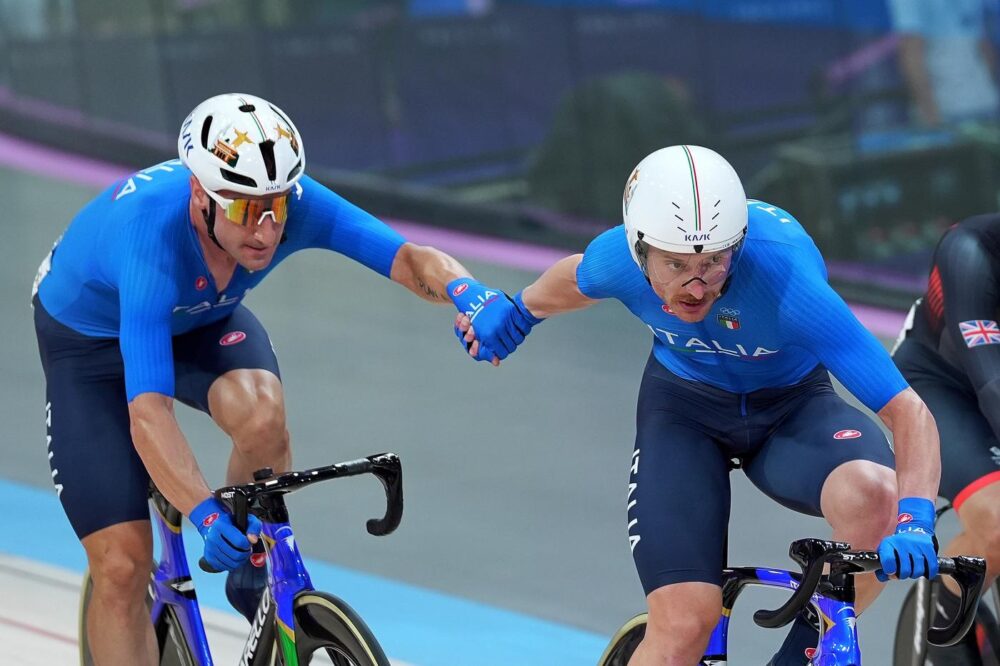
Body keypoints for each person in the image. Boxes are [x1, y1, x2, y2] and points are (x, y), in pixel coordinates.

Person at [32, 92, 516, 665]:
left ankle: (252, 576)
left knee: (262, 414)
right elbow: (148, 413)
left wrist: (469, 293)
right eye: (242, 209)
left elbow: (408, 259)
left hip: (200, 320)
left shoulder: (288, 209)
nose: (264, 229)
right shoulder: (149, 240)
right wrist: (204, 513)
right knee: (121, 565)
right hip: (90, 346)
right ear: (198, 195)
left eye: (276, 205)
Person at [456, 145, 942, 665]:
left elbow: (908, 411)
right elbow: (571, 280)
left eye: (713, 263)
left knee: (880, 497)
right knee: (684, 626)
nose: (696, 284)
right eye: (676, 265)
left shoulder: (787, 282)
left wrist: (915, 518)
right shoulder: (615, 259)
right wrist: (518, 314)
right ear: (639, 252)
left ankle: (801, 651)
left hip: (792, 411)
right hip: (683, 413)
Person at [893, 215, 1000, 664]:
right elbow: (991, 383)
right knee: (998, 522)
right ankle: (946, 609)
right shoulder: (969, 250)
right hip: (940, 385)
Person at [889, 0, 1000, 127]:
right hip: (950, 112)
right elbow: (911, 52)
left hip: (981, 107)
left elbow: (984, 46)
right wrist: (931, 115)